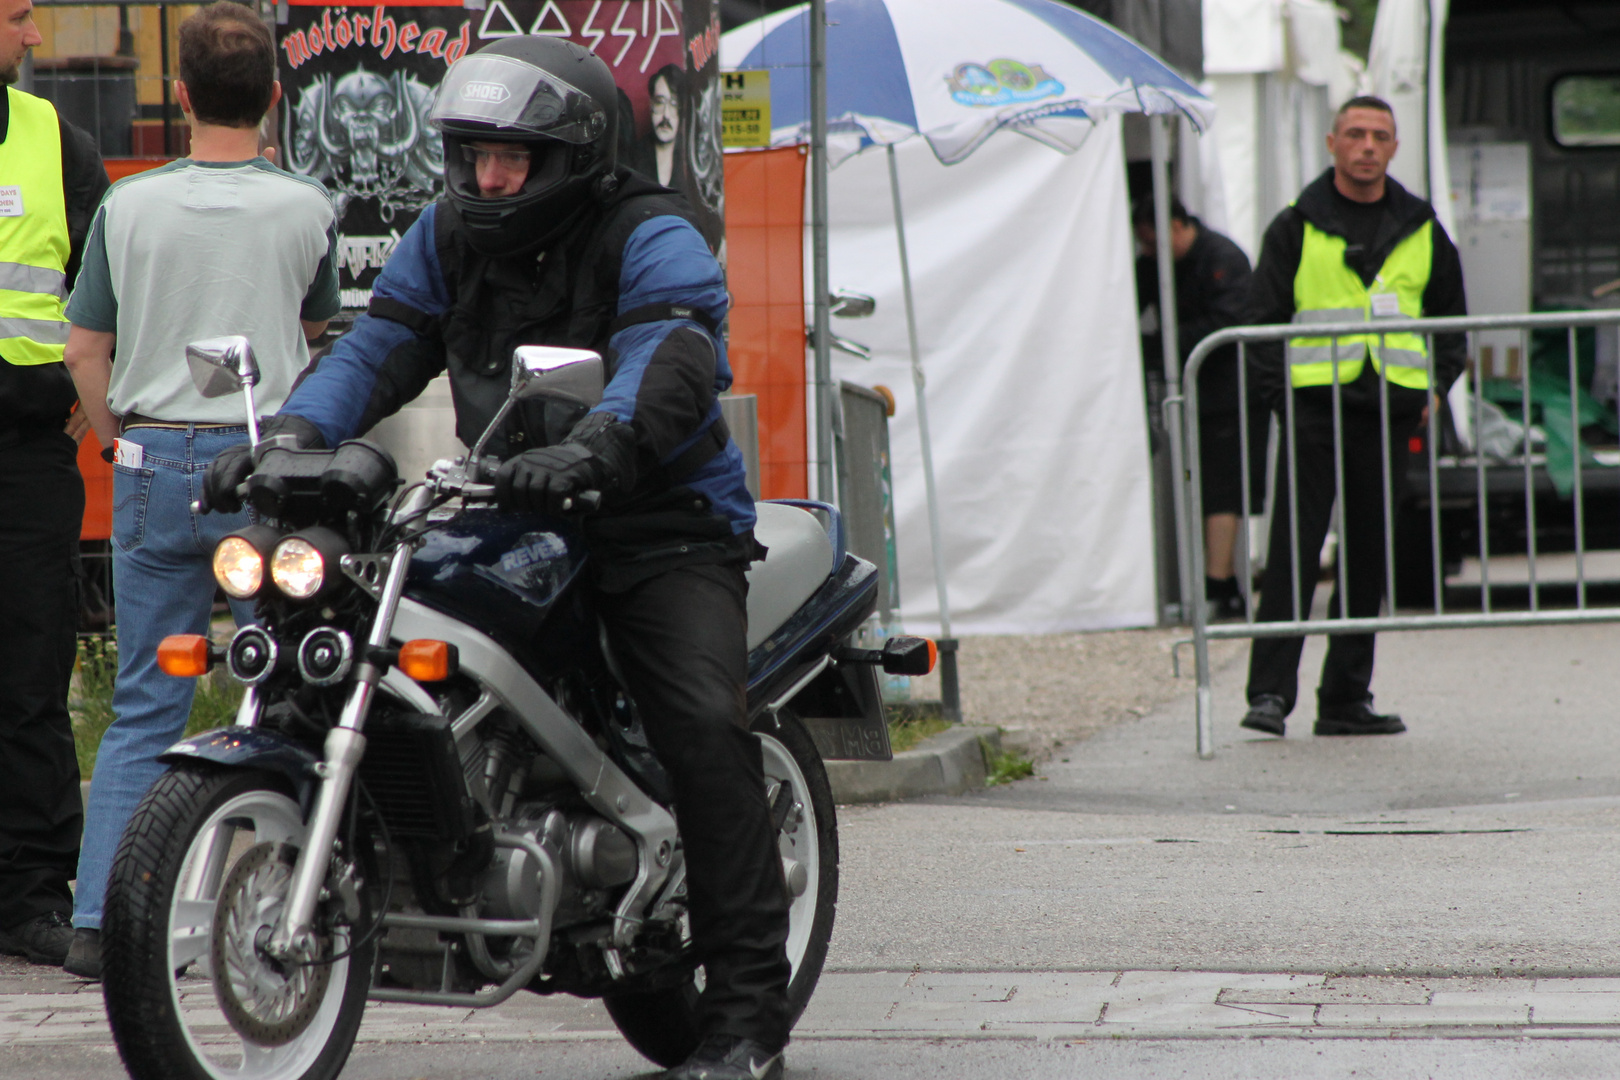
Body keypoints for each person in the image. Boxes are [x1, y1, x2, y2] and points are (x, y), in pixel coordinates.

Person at [202, 36, 790, 1080]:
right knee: (365, 636)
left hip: (658, 518)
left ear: (573, 155)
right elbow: (382, 340)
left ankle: (746, 1018)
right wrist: (291, 440)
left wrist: (599, 444)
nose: (488, 179)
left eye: (511, 159)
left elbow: (671, 352)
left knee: (702, 723)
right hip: (512, 504)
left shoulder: (653, 234)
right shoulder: (449, 234)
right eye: (472, 155)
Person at [59, 0, 339, 978]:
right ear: (272, 94)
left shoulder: (128, 206)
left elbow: (84, 350)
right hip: (266, 474)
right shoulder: (307, 208)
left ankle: (99, 922)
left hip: (152, 463)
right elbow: (315, 339)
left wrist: (115, 441)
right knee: (285, 691)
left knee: (147, 704)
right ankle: (269, 910)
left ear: (178, 96)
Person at [1239, 95, 1465, 738]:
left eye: (1381, 136)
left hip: (1391, 413)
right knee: (1293, 554)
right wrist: (1284, 401)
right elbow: (1260, 325)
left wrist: (1435, 390)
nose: (1368, 146)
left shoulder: (1422, 226)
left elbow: (1454, 321)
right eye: (1357, 135)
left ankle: (1344, 698)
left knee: (1371, 558)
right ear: (1334, 143)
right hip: (1314, 409)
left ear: (1394, 149)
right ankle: (1269, 696)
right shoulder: (1296, 225)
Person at [0, 0, 105, 968]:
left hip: (26, 454)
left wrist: (86, 388)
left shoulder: (49, 136)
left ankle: (30, 894)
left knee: (31, 677)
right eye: (20, 16)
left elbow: (104, 280)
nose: (35, 39)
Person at [1134, 196, 1259, 619]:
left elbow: (1227, 321)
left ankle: (1218, 584)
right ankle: (1217, 583)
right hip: (1202, 392)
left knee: (1222, 489)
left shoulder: (1222, 258)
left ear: (1174, 226)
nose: (1148, 253)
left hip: (1232, 391)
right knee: (1207, 487)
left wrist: (1158, 344)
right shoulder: (1162, 264)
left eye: (1152, 243)